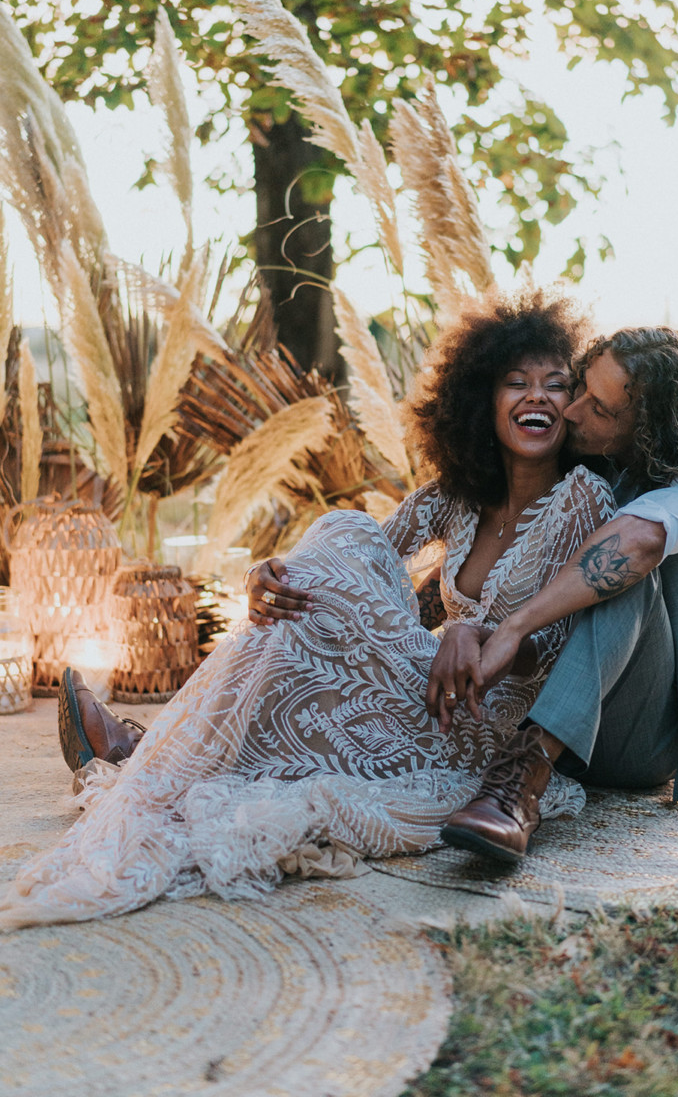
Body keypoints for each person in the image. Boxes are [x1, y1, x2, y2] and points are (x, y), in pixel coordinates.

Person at [0, 291, 615, 930]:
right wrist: (269, 577)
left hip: (483, 726)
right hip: (424, 693)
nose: (537, 396)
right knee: (342, 536)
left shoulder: (583, 499)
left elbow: (567, 642)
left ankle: (154, 745)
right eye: (516, 383)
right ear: (481, 402)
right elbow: (358, 559)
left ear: (574, 407)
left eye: (555, 384)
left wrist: (482, 632)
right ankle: (171, 743)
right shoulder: (457, 498)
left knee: (340, 543)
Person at [437, 326, 678, 862]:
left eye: (602, 409)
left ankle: (523, 781)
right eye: (582, 387)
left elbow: (636, 545)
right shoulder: (591, 467)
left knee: (629, 572)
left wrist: (515, 624)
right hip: (549, 693)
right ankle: (528, 755)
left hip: (644, 737)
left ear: (650, 428)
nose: (573, 411)